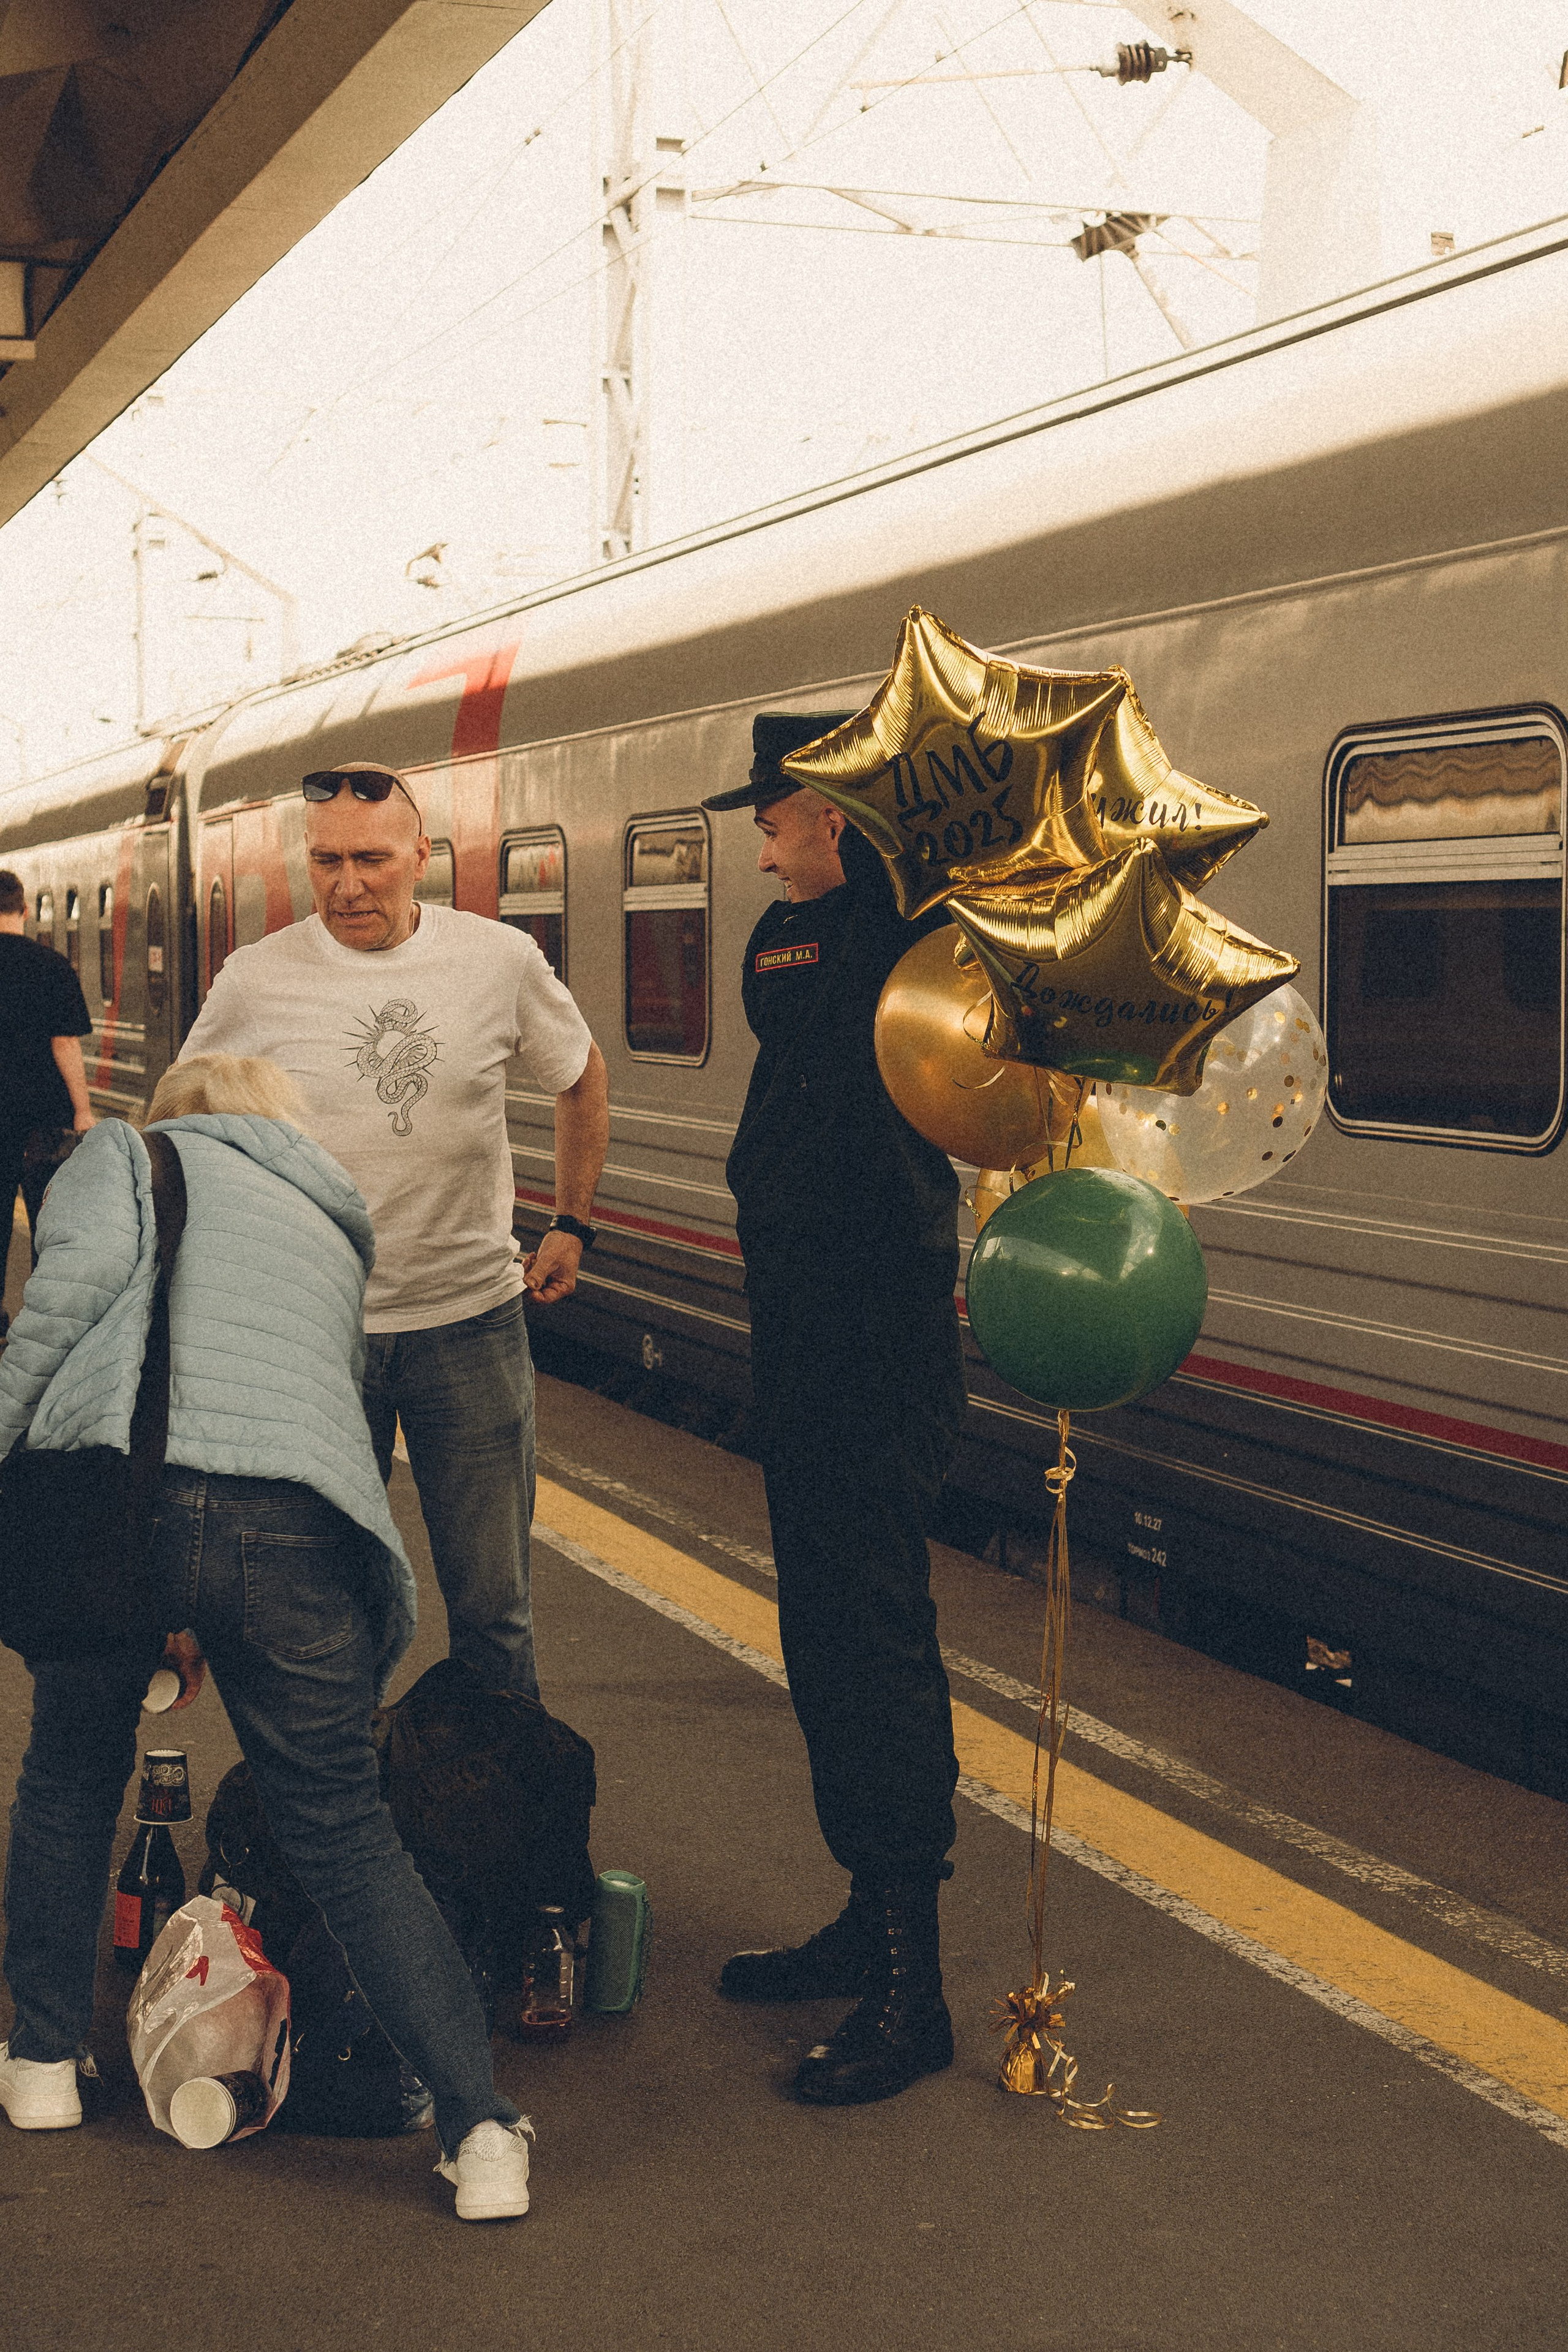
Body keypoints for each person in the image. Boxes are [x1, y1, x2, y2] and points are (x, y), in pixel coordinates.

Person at [0, 1054, 532, 2218]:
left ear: (179, 1115)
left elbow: (62, 1309)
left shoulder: (122, 1159)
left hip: (115, 1510)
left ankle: (41, 2061)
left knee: (70, 1775)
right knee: (343, 1824)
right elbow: (293, 1402)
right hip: (288, 1522)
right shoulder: (327, 1215)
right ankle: (482, 2132)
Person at [180, 764, 609, 1701]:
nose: (346, 885)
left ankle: (501, 1824)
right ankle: (348, 1818)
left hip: (470, 1323)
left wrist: (571, 1221)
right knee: (329, 1602)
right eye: (325, 861)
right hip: (317, 1337)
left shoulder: (498, 960)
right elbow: (185, 1121)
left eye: (371, 859)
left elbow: (580, 1075)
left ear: (423, 857)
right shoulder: (258, 979)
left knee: (494, 1605)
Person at [703, 714, 967, 2106]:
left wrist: (877, 895)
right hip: (809, 1339)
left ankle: (910, 1991)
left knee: (867, 1632)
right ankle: (865, 1919)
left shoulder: (870, 947)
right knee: (824, 1624)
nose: (758, 840)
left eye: (776, 814)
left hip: (870, 1341)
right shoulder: (851, 942)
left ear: (833, 818)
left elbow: (796, 988)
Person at [0, 869, 96, 1302]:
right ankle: (41, 1317)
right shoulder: (52, 966)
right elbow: (65, 1045)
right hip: (44, 1120)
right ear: (23, 910)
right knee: (47, 1222)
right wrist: (83, 1110)